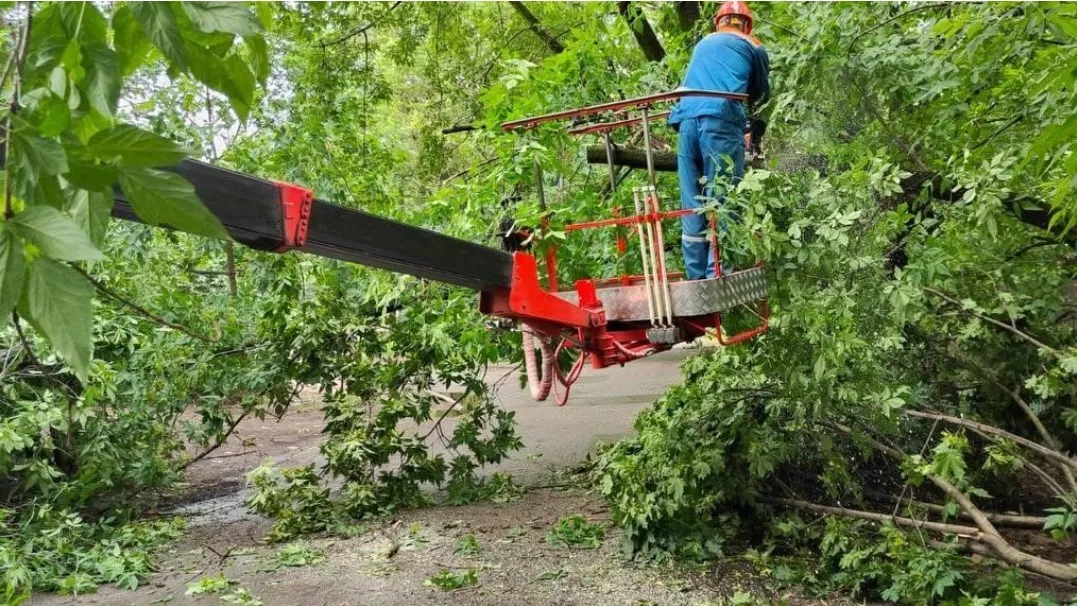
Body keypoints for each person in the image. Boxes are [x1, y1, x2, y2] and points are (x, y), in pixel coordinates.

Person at [668, 0, 770, 279]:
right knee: (722, 195)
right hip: (721, 119)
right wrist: (752, 126)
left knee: (692, 200)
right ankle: (718, 272)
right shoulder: (753, 45)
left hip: (686, 119)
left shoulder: (703, 43)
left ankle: (695, 275)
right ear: (747, 24)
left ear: (718, 22)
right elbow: (761, 94)